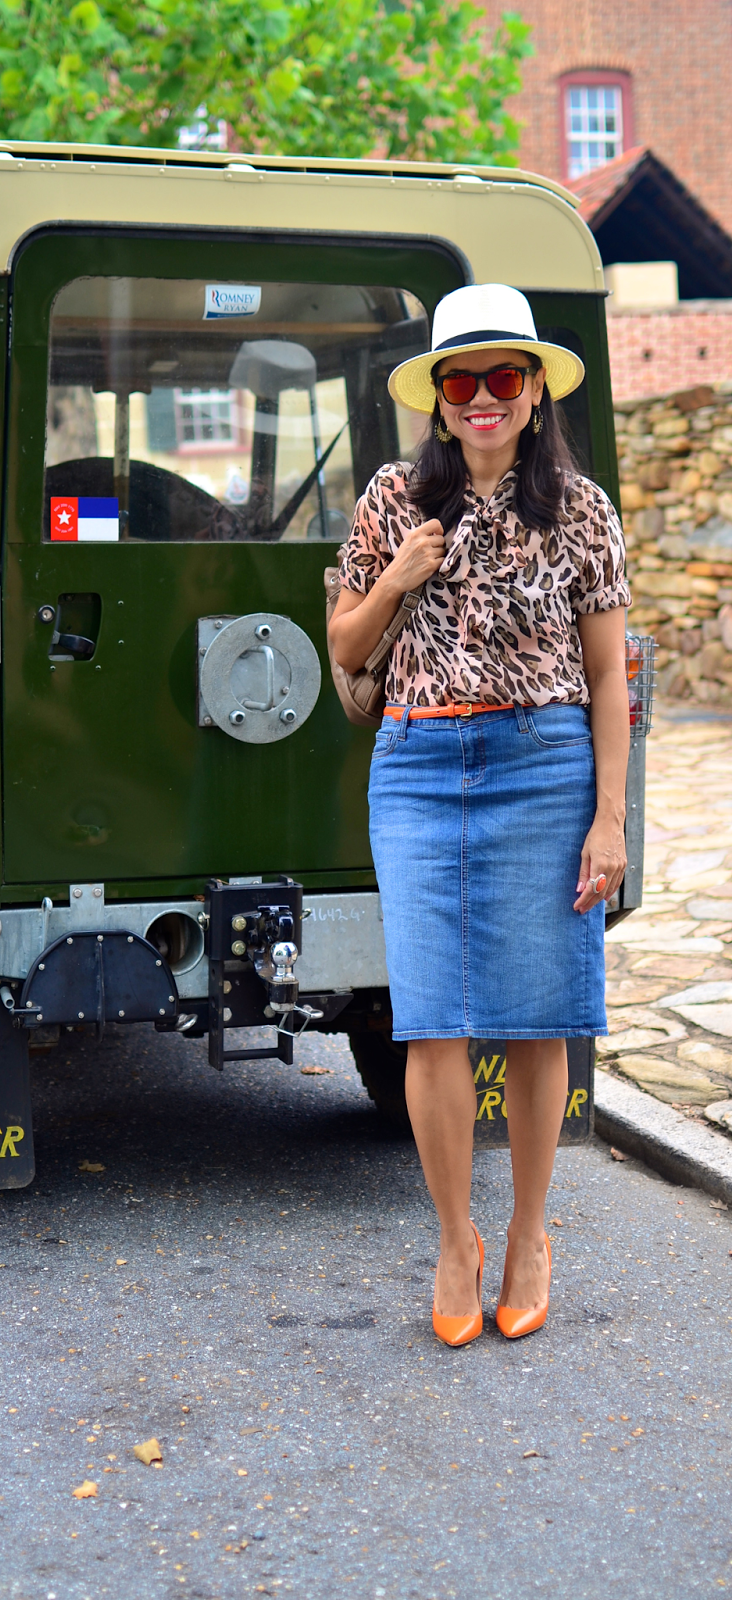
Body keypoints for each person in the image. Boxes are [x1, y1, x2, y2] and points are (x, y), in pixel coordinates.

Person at [328, 283, 630, 1346]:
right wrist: (400, 575)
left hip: (545, 764)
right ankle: (455, 1237)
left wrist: (610, 817)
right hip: (417, 763)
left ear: (537, 391)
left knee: (543, 1013)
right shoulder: (391, 500)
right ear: (440, 399)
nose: (485, 396)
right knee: (434, 1016)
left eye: (506, 376)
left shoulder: (582, 509)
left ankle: (531, 1231)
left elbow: (606, 678)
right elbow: (347, 649)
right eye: (464, 379)